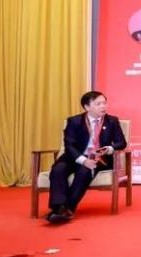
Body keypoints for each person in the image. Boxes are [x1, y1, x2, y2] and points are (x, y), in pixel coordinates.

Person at [44, 91, 127, 224]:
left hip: (99, 159)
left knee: (84, 171)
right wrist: (83, 160)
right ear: (87, 107)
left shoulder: (112, 121)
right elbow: (69, 145)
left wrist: (109, 149)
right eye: (98, 104)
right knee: (58, 169)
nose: (103, 106)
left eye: (104, 103)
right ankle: (60, 207)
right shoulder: (74, 121)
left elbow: (121, 143)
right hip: (75, 157)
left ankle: (65, 210)